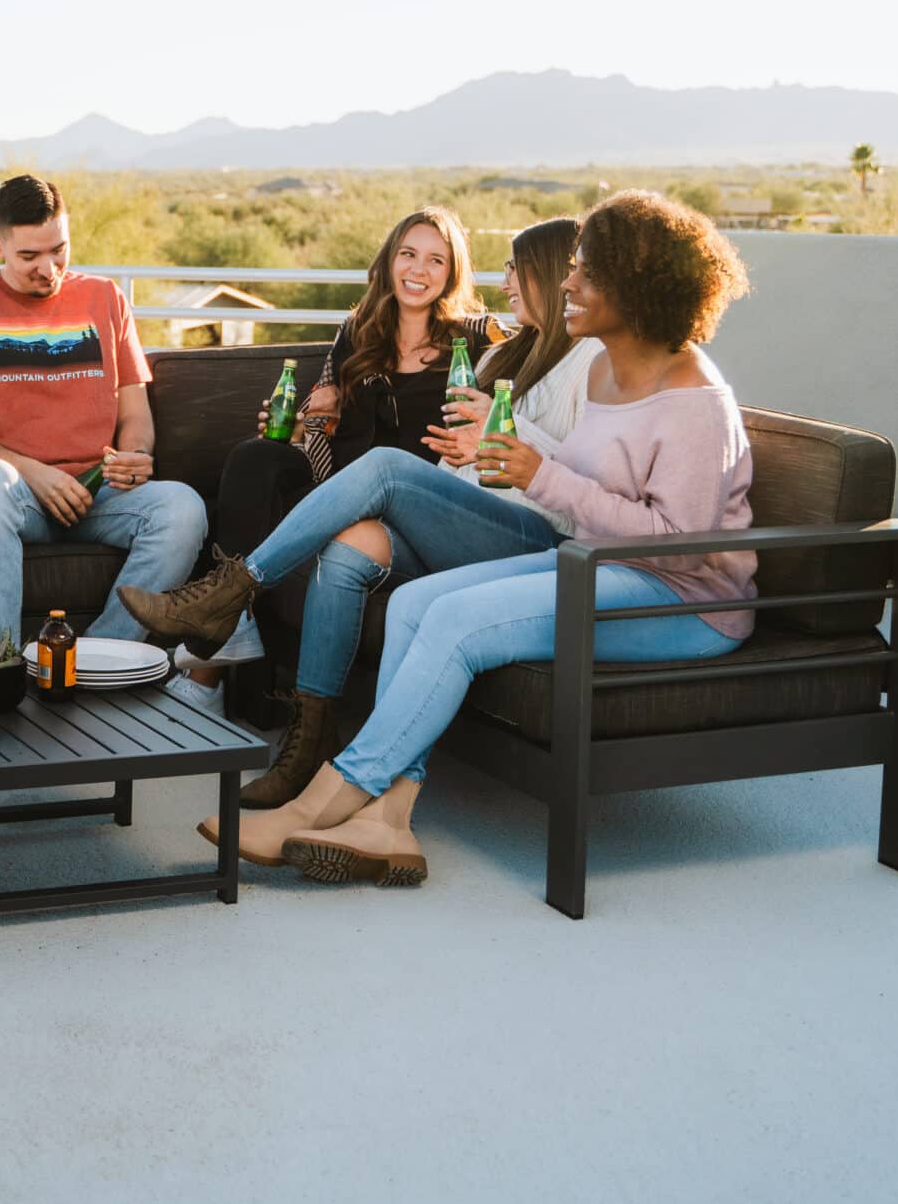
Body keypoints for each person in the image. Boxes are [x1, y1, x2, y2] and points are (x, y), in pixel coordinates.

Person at [189, 191, 755, 880]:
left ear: (636, 287)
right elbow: (588, 480)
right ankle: (389, 822)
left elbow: (679, 544)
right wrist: (515, 450)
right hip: (592, 562)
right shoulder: (607, 368)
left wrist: (540, 473)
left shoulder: (697, 400)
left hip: (681, 601)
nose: (568, 284)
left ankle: (321, 804)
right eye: (571, 268)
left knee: (454, 617)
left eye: (586, 273)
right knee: (410, 602)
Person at [124, 218, 599, 815]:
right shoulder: (509, 352)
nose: (504, 280)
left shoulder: (549, 353)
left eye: (513, 268)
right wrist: (316, 426)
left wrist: (487, 441)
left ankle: (225, 595)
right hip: (455, 509)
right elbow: (469, 458)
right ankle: (309, 743)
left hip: (533, 537)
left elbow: (573, 469)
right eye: (407, 255)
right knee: (346, 543)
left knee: (386, 467)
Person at [164, 206, 500, 709]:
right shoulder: (358, 330)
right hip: (340, 486)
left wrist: (488, 420)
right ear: (389, 260)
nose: (418, 271)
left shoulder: (475, 341)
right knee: (256, 458)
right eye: (408, 254)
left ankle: (210, 659)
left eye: (436, 260)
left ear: (452, 272)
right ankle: (233, 627)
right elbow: (324, 429)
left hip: (414, 501)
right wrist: (304, 427)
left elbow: (517, 406)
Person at [0, 175, 206, 649]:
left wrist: (134, 456)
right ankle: (1, 660)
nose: (48, 269)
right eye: (29, 256)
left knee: (183, 507)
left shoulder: (106, 298)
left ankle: (99, 655)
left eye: (59, 250)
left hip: (100, 492)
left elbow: (135, 411)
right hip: (15, 494)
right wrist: (34, 474)